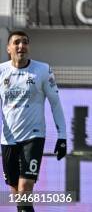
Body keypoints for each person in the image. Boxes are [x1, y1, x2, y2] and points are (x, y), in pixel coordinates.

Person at [1, 31, 67, 212]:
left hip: (34, 136)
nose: (21, 46)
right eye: (16, 42)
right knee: (16, 194)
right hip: (8, 139)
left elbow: (55, 103)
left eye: (25, 42)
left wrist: (62, 136)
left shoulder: (43, 70)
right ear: (8, 48)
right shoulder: (1, 72)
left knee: (25, 188)